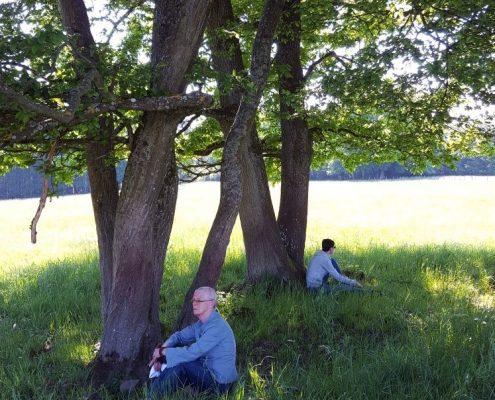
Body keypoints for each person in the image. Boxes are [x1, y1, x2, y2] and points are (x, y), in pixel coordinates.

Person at [147, 287, 238, 399]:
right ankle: (158, 390)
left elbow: (192, 353)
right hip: (206, 370)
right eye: (193, 300)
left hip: (221, 384)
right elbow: (179, 336)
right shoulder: (201, 323)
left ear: (211, 303)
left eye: (199, 300)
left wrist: (163, 352)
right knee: (173, 357)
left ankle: (152, 397)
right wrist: (161, 351)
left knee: (183, 365)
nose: (194, 304)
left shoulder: (217, 326)